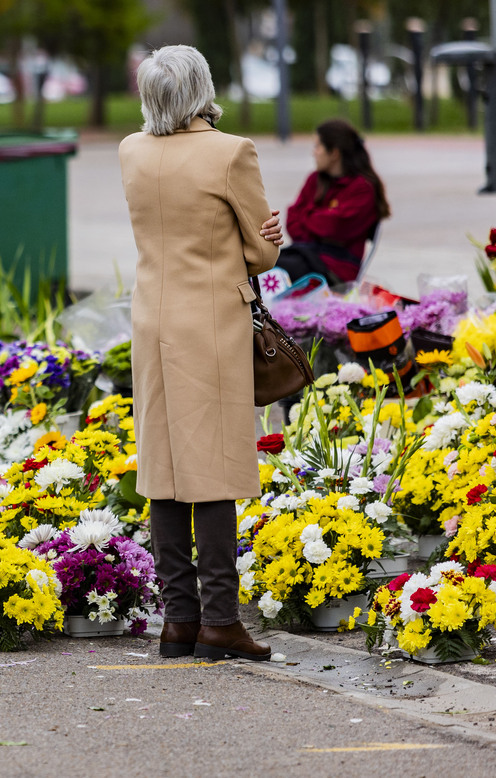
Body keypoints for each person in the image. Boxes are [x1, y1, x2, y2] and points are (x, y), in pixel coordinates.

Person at [119, 45, 282, 662]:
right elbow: (259, 253)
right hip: (211, 321)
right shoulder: (230, 152)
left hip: (152, 320)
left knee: (162, 470)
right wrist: (273, 236)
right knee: (212, 470)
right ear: (202, 87)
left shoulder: (131, 151)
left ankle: (177, 621)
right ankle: (220, 621)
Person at [279, 118, 391, 284]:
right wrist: (320, 220)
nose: (313, 152)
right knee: (259, 263)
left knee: (277, 270)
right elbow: (292, 223)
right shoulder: (314, 180)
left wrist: (307, 215)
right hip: (306, 254)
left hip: (337, 268)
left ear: (334, 153)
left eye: (318, 146)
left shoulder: (362, 188)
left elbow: (336, 227)